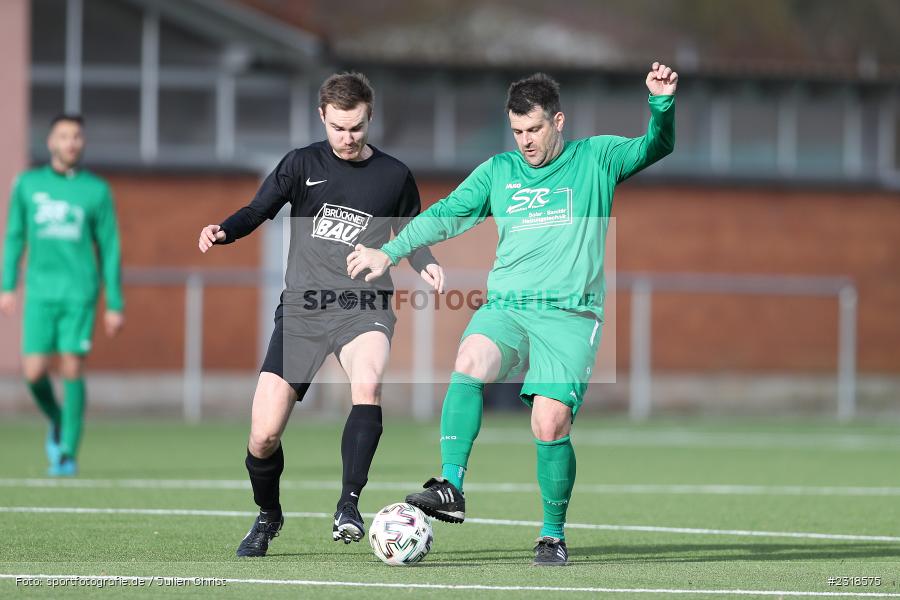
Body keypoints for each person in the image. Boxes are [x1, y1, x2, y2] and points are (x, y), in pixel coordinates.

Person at [347, 62, 677, 565]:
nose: (525, 141)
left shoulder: (598, 158)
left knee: (549, 422)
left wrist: (661, 105)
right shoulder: (499, 171)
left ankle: (552, 534)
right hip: (507, 308)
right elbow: (446, 214)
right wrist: (389, 252)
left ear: (558, 121)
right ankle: (450, 486)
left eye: (534, 129)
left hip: (570, 316)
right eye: (517, 130)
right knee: (469, 360)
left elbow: (657, 145)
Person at [198, 72, 443, 557]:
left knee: (367, 385)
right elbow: (258, 209)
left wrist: (427, 261)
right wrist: (224, 230)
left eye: (356, 127)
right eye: (338, 128)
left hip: (363, 306)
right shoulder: (301, 163)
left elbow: (411, 234)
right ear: (322, 117)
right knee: (263, 435)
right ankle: (268, 515)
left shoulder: (394, 175)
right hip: (303, 311)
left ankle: (348, 504)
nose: (347, 138)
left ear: (370, 117)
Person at [1, 114, 125, 477]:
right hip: (40, 293)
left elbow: (110, 247)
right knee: (33, 372)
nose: (71, 142)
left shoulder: (96, 190)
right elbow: (14, 236)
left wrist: (114, 303)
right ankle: (58, 419)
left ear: (82, 143)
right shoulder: (27, 185)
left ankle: (68, 451)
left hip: (79, 293)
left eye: (76, 136)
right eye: (64, 136)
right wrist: (8, 285)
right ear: (51, 142)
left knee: (72, 366)